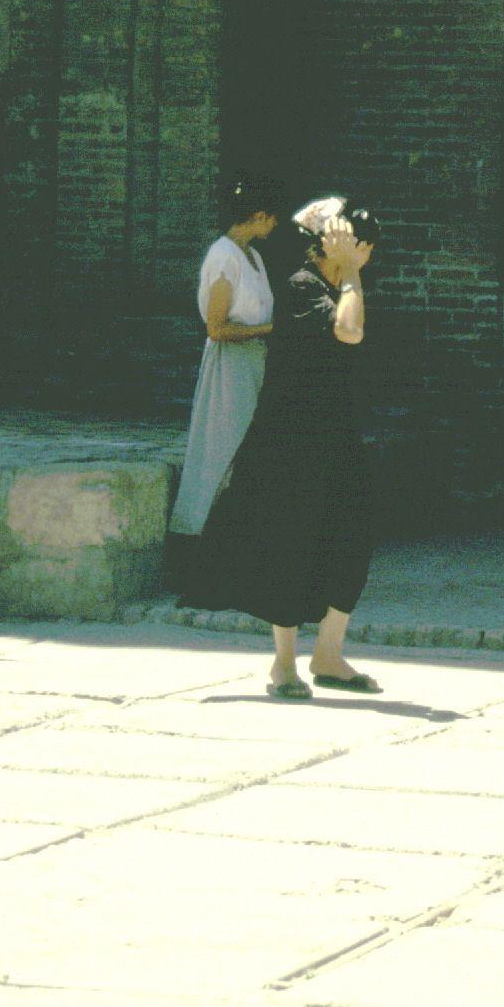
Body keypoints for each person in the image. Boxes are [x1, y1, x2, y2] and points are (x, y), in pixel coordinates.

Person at [186, 197, 384, 699]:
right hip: (290, 439)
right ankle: (284, 665)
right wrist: (350, 276)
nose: (366, 255)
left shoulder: (339, 286)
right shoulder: (302, 288)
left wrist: (349, 277)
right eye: (356, 245)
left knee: (352, 536)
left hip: (336, 435)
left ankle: (330, 653)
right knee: (290, 545)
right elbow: (349, 330)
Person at [168, 173, 285, 566]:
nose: (274, 226)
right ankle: (204, 545)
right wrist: (272, 329)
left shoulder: (253, 257)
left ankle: (245, 542)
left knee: (253, 449)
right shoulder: (223, 256)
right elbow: (217, 328)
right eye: (271, 218)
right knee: (225, 447)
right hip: (230, 364)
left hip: (254, 361)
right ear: (258, 216)